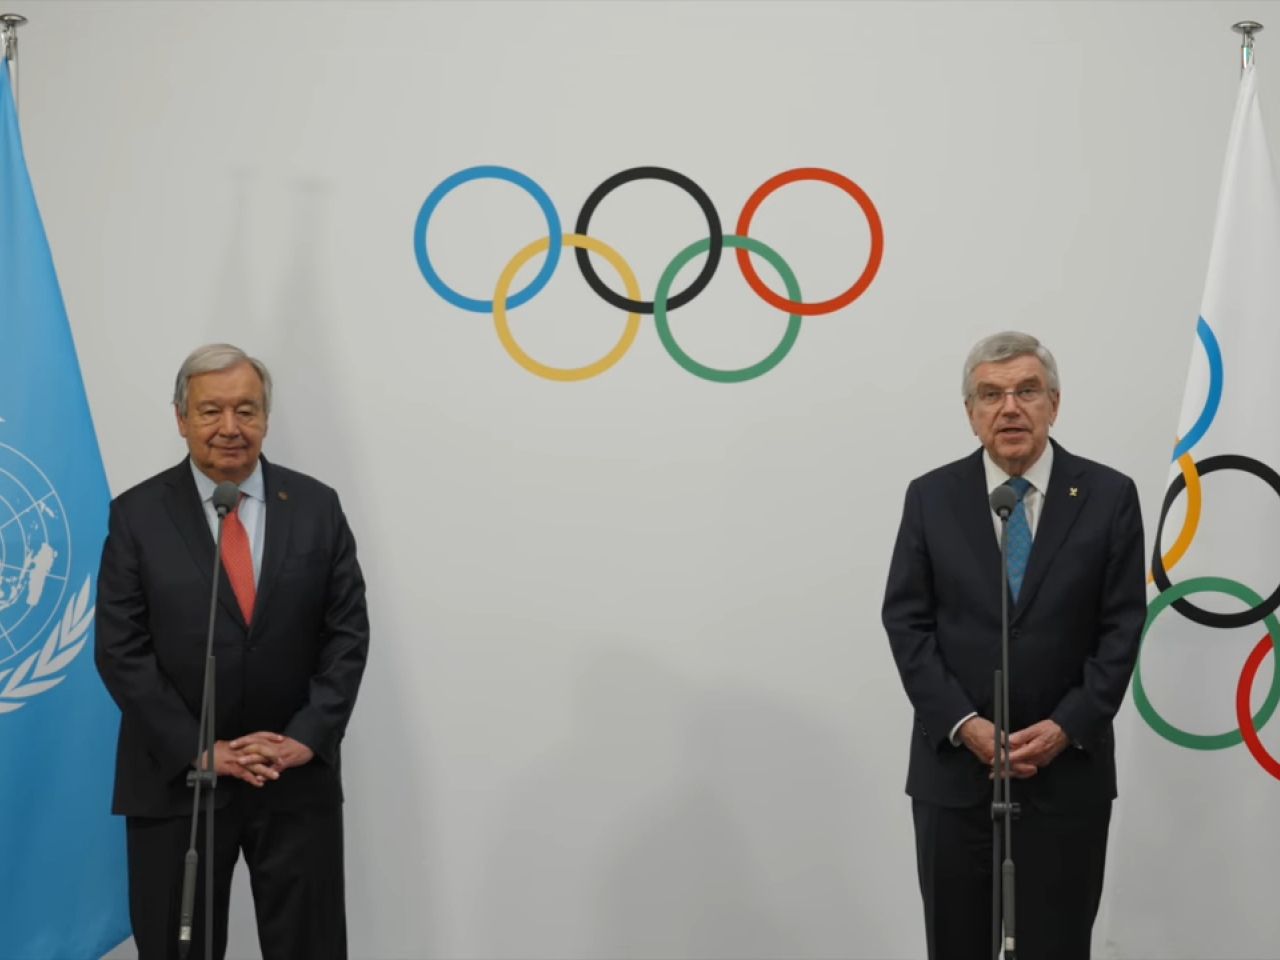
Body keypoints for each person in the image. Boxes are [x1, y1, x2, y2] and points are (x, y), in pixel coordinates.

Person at [93, 343, 370, 960]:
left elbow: (346, 631)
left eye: (246, 410)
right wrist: (199, 747)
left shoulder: (317, 506)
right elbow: (120, 648)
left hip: (292, 775)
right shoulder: (136, 515)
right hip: (179, 783)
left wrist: (307, 734)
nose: (229, 428)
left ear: (266, 418)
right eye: (210, 410)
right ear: (180, 418)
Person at [881, 331, 1146, 960]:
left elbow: (1122, 626)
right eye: (991, 394)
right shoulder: (932, 496)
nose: (1010, 407)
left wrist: (1065, 725)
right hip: (956, 777)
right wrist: (963, 723)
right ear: (970, 413)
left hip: (1067, 777)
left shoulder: (1108, 496)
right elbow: (907, 622)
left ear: (1055, 404)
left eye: (1027, 391)